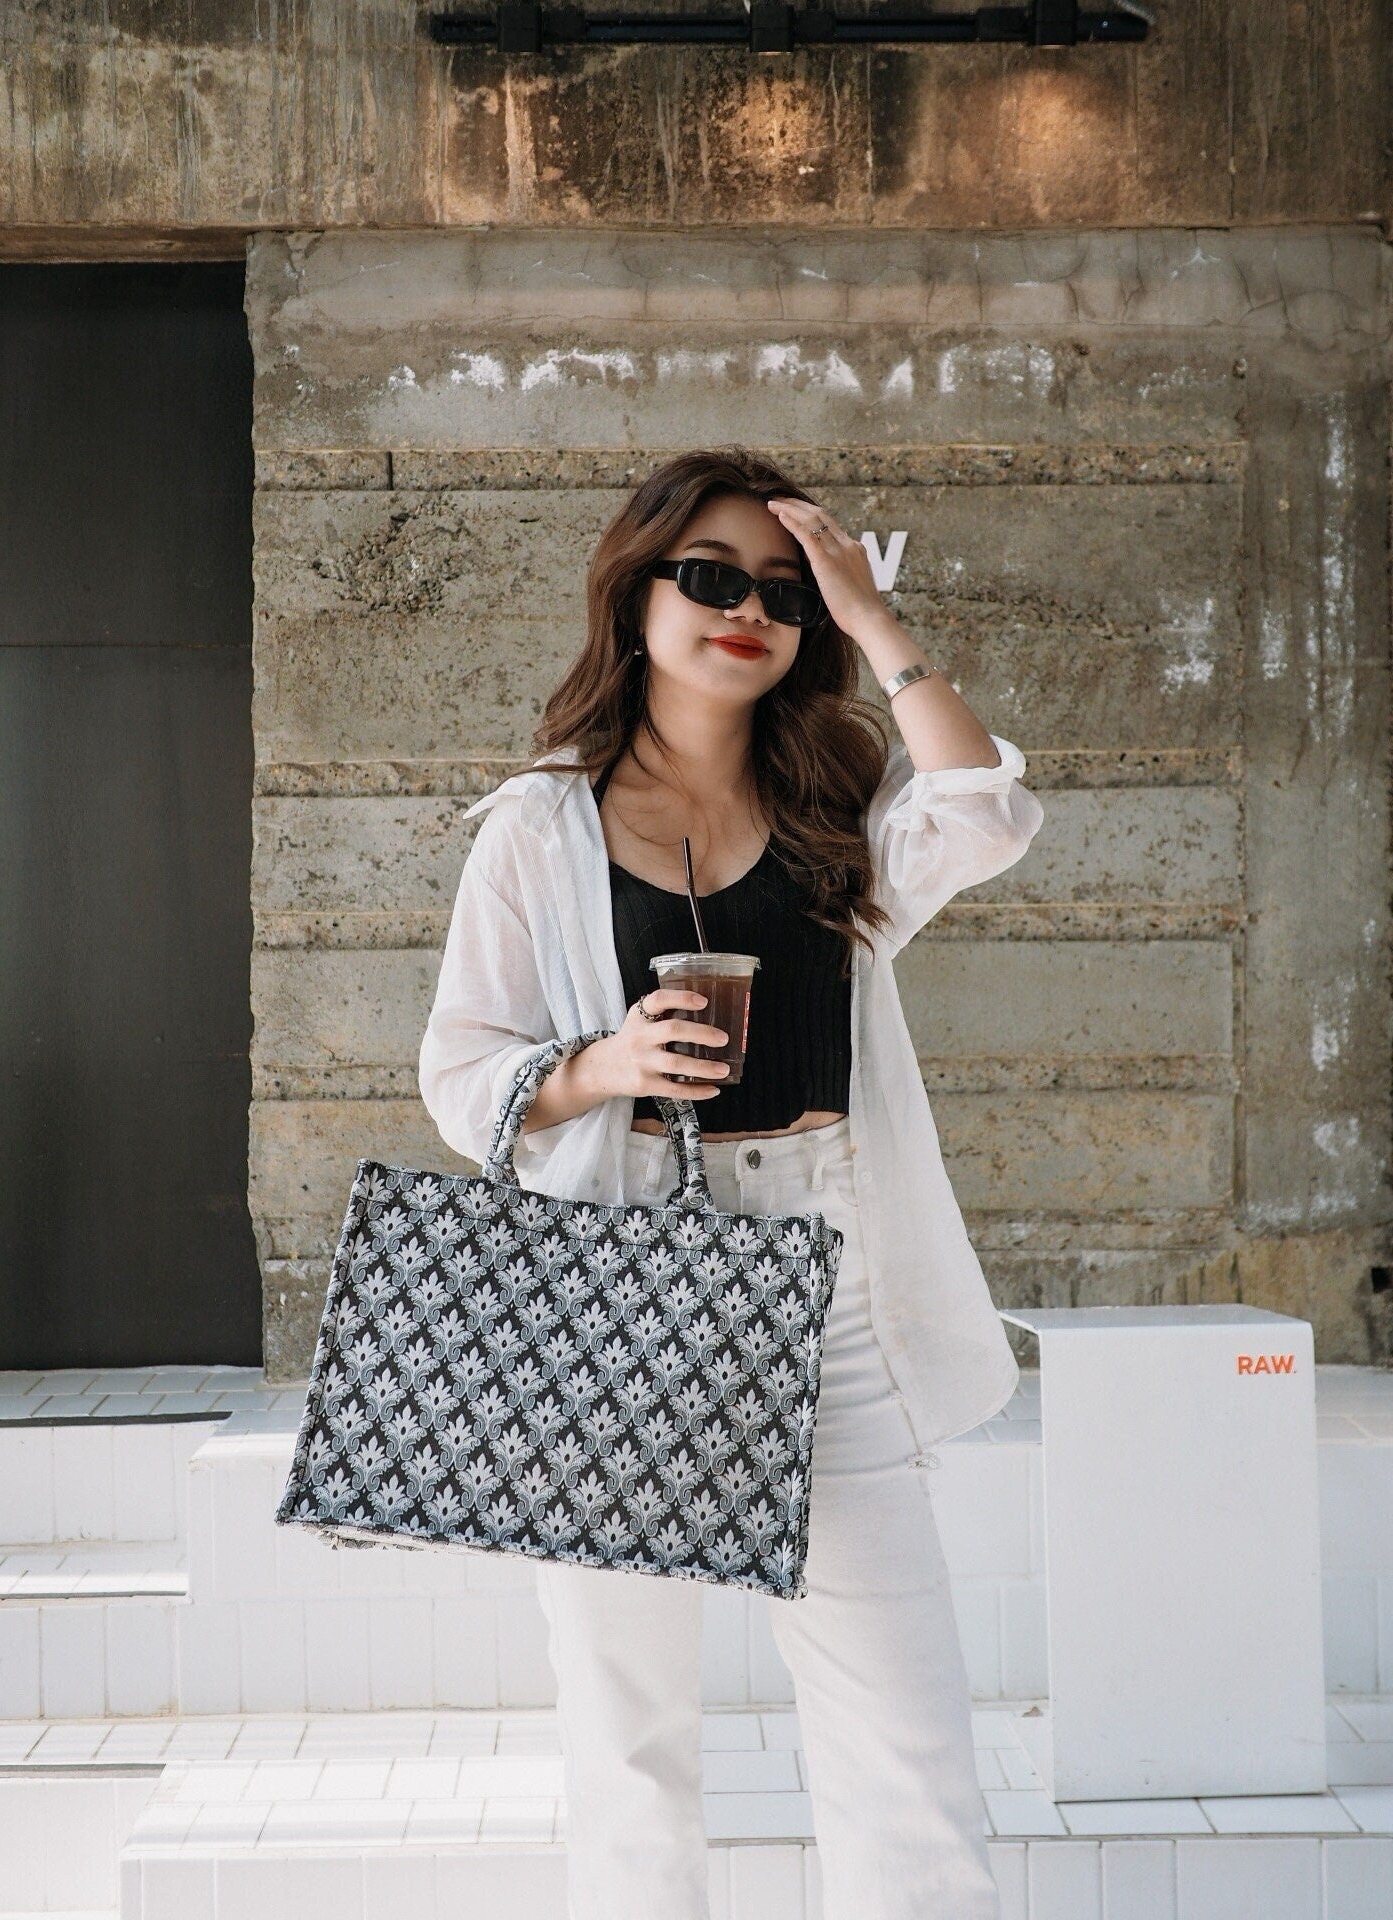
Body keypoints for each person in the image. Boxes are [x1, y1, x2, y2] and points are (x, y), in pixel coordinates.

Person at [418, 447, 1045, 1920]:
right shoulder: (537, 828)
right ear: (638, 592)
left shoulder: (839, 794)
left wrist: (874, 617)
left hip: (826, 1271)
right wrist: (605, 1062)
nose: (744, 608)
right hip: (616, 1281)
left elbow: (990, 812)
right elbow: (461, 1074)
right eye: (708, 576)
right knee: (631, 1739)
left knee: (907, 1734)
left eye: (779, 588)